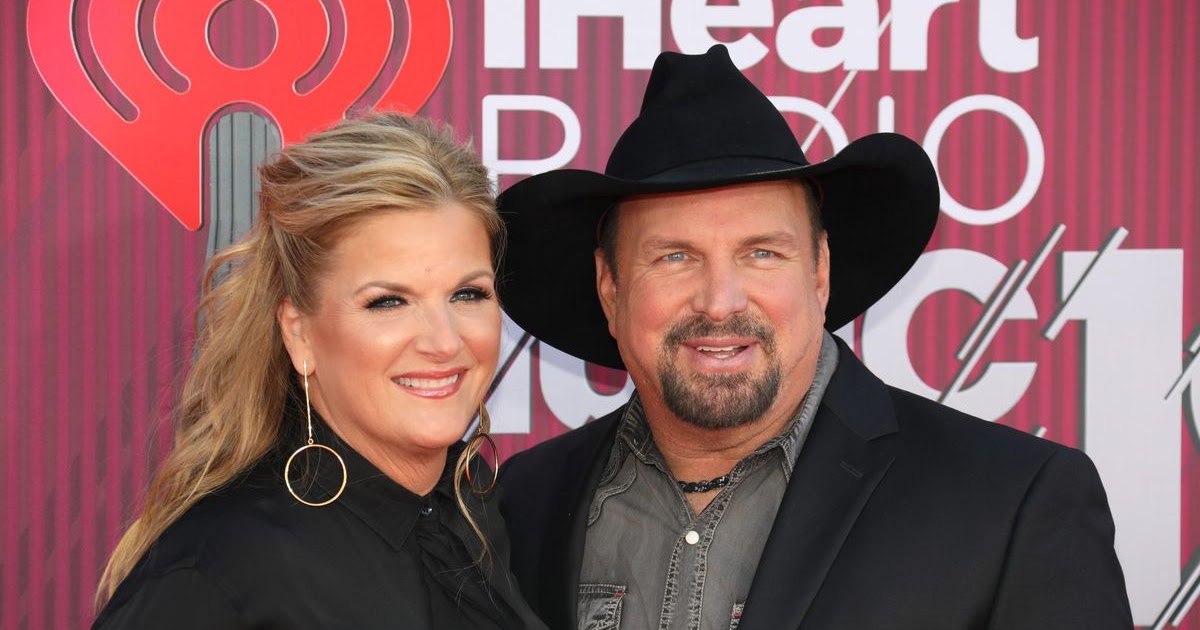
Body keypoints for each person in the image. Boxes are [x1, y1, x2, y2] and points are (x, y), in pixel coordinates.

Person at [495, 45, 1132, 629]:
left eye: (762, 253)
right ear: (610, 287)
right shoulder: (520, 505)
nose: (721, 302)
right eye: (675, 257)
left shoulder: (1012, 502)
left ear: (820, 271)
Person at [93, 112, 547, 629]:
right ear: (300, 334)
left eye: (468, 294)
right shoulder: (217, 570)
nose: (444, 342)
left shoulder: (473, 506)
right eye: (388, 301)